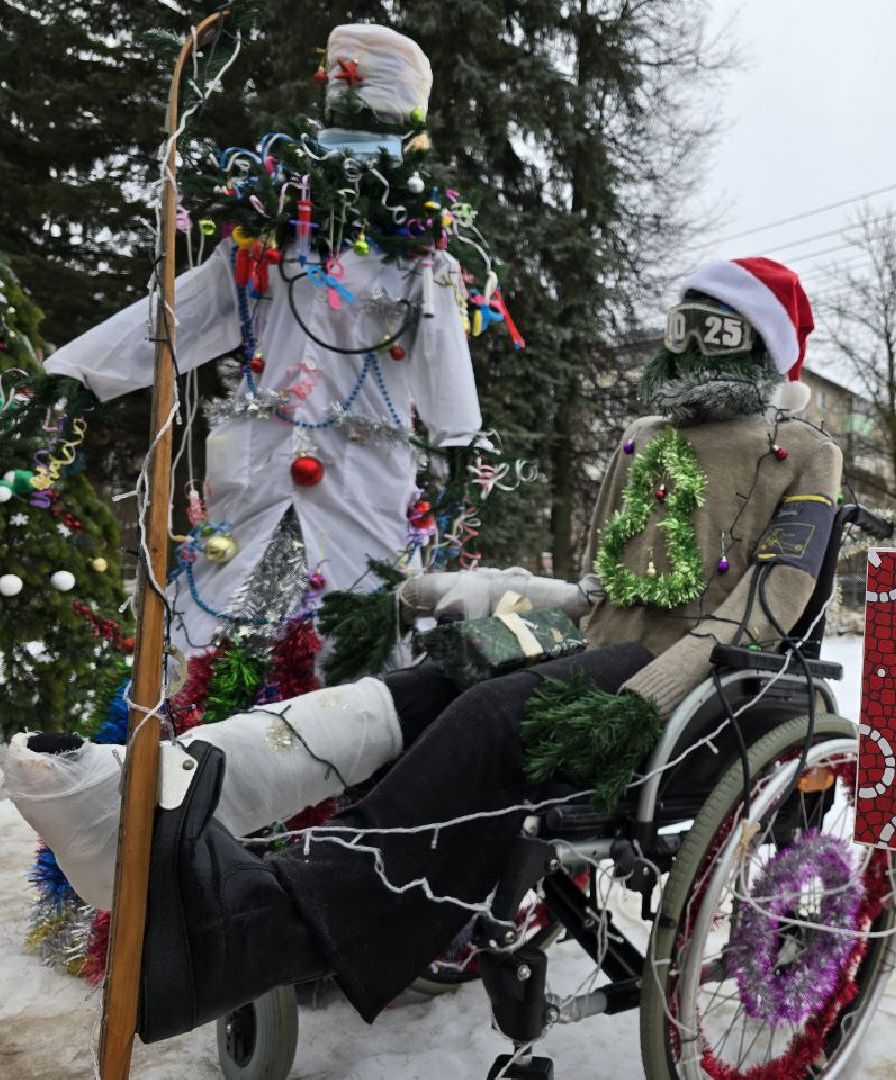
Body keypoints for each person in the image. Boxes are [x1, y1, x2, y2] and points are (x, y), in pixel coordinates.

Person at [7, 257, 843, 1041]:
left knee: (490, 714)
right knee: (428, 683)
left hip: (694, 672)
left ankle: (277, 918)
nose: (694, 344)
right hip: (598, 640)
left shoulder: (804, 451)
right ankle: (180, 784)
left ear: (765, 345)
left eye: (722, 330)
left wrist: (642, 697)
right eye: (682, 323)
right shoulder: (643, 434)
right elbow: (597, 587)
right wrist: (486, 598)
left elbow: (771, 602)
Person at [41, 25, 485, 654]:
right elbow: (183, 313)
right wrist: (78, 374)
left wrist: (459, 462)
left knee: (348, 642)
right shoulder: (270, 229)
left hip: (359, 487)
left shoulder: (418, 254)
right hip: (256, 476)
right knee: (214, 642)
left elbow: (445, 380)